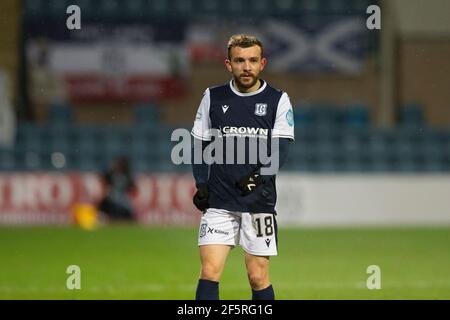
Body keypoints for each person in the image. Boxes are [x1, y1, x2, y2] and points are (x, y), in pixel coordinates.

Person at [190, 34, 295, 300]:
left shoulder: (278, 99)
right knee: (209, 271)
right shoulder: (212, 96)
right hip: (219, 202)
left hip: (259, 202)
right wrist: (201, 183)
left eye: (252, 60)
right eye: (239, 60)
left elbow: (280, 150)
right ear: (229, 64)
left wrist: (256, 179)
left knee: (258, 276)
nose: (246, 66)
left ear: (262, 63)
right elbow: (199, 142)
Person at [98, 156, 137, 222]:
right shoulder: (114, 174)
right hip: (114, 200)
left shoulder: (126, 176)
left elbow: (133, 189)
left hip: (120, 201)